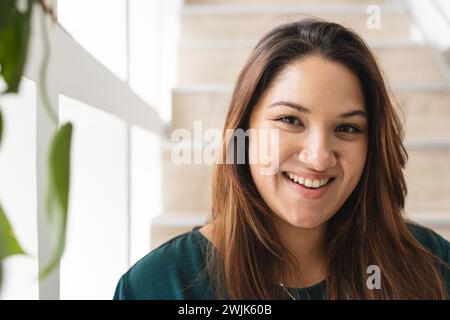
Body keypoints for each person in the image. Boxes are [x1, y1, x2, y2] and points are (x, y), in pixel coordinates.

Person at [113, 19, 450, 300]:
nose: (318, 157)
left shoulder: (434, 268)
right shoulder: (157, 286)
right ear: (243, 131)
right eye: (290, 120)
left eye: (347, 127)